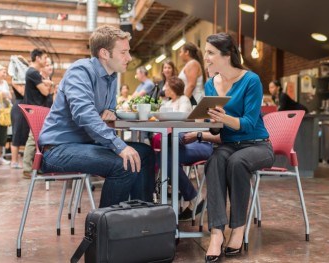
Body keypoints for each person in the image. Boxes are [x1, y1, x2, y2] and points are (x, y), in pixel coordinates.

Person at [39, 25, 155, 207]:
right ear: (104, 54)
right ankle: (102, 231)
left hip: (84, 145)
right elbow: (84, 114)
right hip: (58, 150)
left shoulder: (111, 76)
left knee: (145, 153)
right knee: (123, 163)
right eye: (123, 52)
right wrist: (119, 146)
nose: (129, 58)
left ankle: (140, 219)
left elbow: (107, 112)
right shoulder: (80, 72)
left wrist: (111, 113)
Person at [202, 33, 275, 262]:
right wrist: (210, 122)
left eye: (210, 53)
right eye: (206, 52)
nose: (206, 57)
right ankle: (216, 233)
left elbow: (250, 123)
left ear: (227, 55)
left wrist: (223, 118)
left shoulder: (251, 80)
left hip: (258, 145)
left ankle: (238, 228)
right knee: (214, 160)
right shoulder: (209, 84)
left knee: (237, 162)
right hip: (229, 144)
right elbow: (216, 130)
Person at [152, 76, 211, 220]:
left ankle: (191, 197)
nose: (164, 89)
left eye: (167, 86)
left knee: (164, 156)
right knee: (163, 156)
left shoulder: (185, 100)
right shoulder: (168, 102)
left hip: (201, 141)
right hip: (185, 141)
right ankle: (193, 198)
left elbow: (182, 120)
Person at [21, 48, 53, 178]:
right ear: (38, 58)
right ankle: (27, 168)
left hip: (39, 108)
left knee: (38, 139)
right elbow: (45, 92)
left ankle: (36, 167)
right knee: (33, 138)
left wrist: (47, 83)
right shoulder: (32, 72)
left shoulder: (35, 73)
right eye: (45, 58)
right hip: (35, 110)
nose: (46, 61)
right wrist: (49, 84)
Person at [10, 57, 29, 169]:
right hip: (18, 108)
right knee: (16, 134)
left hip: (26, 106)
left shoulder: (25, 78)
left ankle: (24, 160)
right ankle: (14, 161)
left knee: (25, 135)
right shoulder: (15, 79)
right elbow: (22, 92)